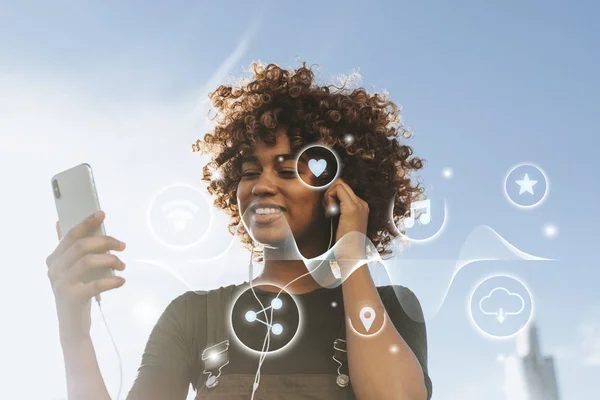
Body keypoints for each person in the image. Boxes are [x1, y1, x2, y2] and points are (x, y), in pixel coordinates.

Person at [46, 62, 433, 400]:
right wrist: (75, 336)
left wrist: (352, 253)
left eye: (285, 171)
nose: (261, 185)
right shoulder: (195, 315)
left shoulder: (392, 308)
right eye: (250, 172)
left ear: (338, 192)